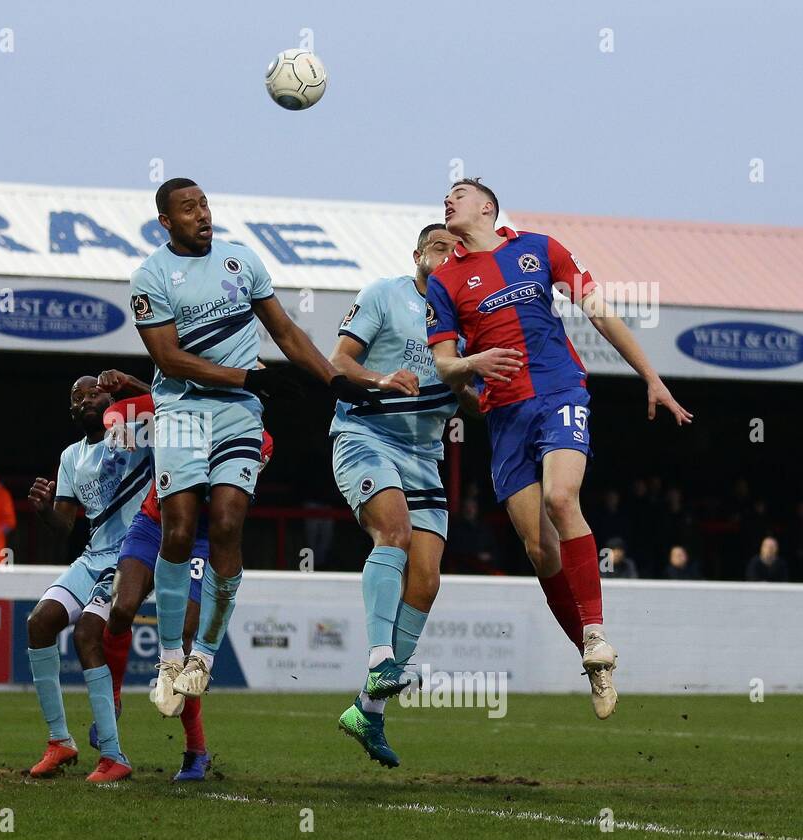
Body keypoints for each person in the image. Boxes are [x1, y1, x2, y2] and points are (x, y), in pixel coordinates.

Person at [428, 178, 692, 719]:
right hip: (504, 416)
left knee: (561, 497)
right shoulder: (445, 279)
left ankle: (596, 630)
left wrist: (652, 377)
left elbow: (599, 310)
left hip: (558, 392)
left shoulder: (540, 249)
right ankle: (592, 659)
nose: (448, 200)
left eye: (458, 193)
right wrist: (471, 366)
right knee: (538, 549)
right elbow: (443, 363)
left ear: (487, 206)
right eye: (446, 195)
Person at [130, 178, 374, 716]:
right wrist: (244, 377)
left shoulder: (242, 261)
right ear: (166, 222)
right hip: (181, 412)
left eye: (205, 204)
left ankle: (204, 659)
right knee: (177, 527)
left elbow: (286, 332)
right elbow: (169, 361)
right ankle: (170, 656)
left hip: (237, 415)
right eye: (188, 209)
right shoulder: (151, 276)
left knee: (226, 524)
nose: (202, 214)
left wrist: (334, 381)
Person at [328, 223, 475, 767]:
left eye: (455, 250)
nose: (447, 254)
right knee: (394, 531)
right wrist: (381, 379)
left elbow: (478, 402)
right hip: (366, 435)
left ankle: (367, 711)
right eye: (437, 246)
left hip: (424, 456)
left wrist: (475, 384)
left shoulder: (467, 324)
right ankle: (380, 657)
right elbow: (337, 362)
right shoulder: (383, 294)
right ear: (417, 255)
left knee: (428, 579)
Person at [94, 379, 274, 781]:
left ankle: (196, 752)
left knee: (186, 634)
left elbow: (219, 498)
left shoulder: (258, 442)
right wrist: (125, 395)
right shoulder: (180, 407)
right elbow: (128, 411)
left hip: (200, 538)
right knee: (120, 607)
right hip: (153, 524)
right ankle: (114, 700)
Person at [23, 371, 153, 783]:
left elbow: (165, 403)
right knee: (39, 623)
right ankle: (59, 741)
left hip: (134, 553)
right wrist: (45, 511)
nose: (84, 401)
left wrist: (129, 385)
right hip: (94, 554)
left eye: (92, 393)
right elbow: (64, 523)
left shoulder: (134, 431)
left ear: (109, 397)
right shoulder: (70, 457)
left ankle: (113, 755)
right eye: (76, 398)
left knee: (86, 636)